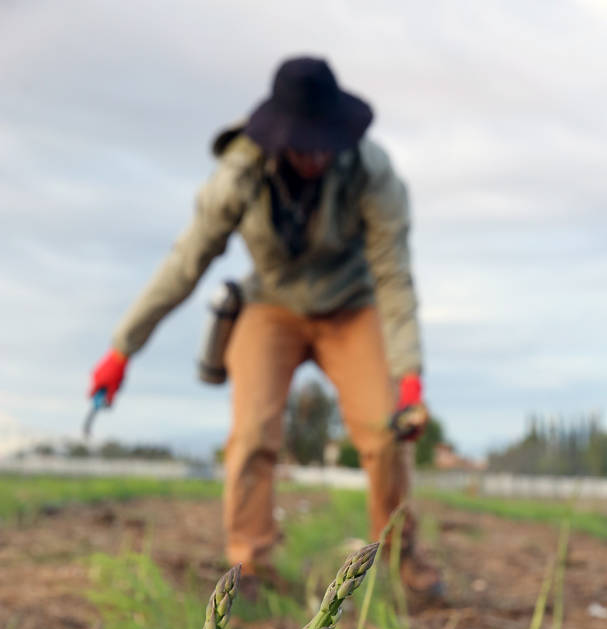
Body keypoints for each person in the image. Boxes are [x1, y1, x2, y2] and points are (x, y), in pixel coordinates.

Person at [87, 56, 442, 599]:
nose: (317, 155)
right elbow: (187, 263)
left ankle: (400, 555)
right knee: (253, 432)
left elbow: (393, 274)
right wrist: (122, 349)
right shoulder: (239, 175)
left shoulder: (372, 172)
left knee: (383, 430)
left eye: (327, 143)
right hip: (270, 304)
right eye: (305, 145)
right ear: (279, 138)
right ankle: (250, 568)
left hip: (351, 304)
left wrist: (409, 378)